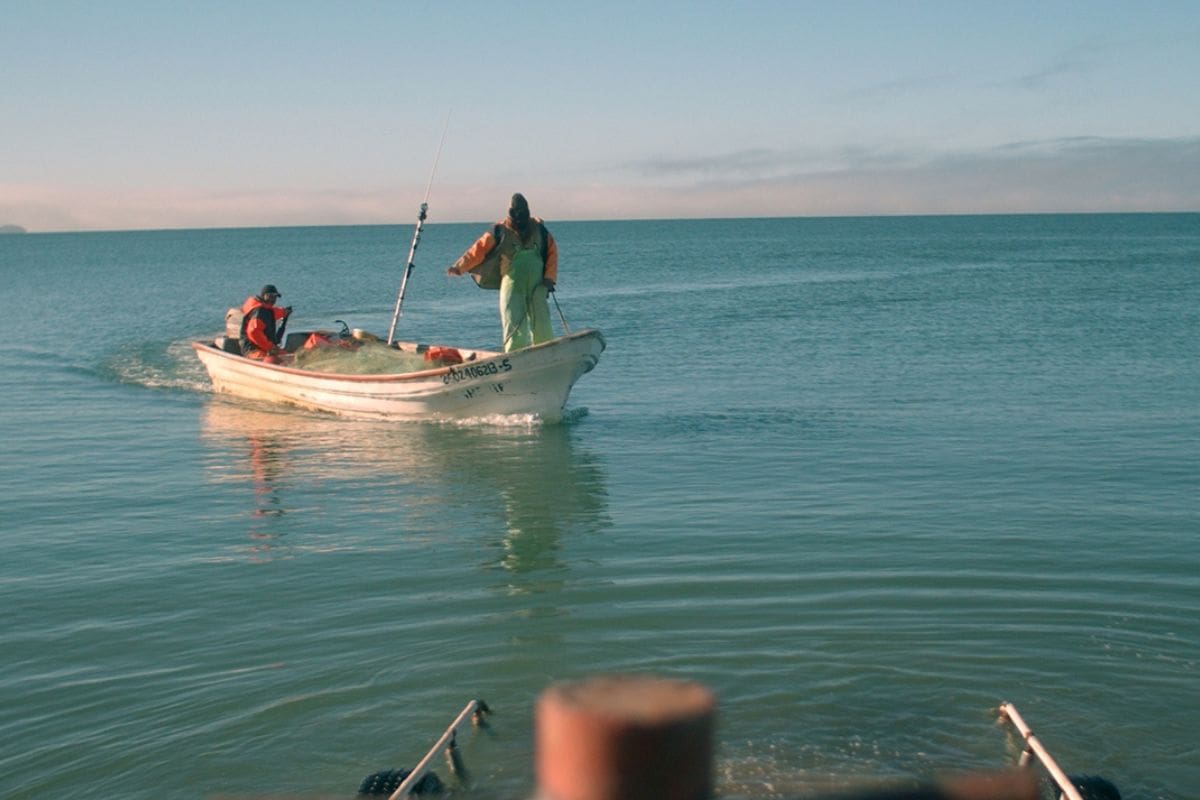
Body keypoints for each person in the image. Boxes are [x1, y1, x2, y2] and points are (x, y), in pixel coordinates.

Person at [447, 193, 558, 351]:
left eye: (522, 212)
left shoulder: (540, 230)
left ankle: (547, 351)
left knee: (542, 321)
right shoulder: (499, 231)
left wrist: (549, 279)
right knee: (513, 321)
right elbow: (478, 250)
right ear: (510, 213)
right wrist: (459, 267)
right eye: (516, 212)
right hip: (512, 286)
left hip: (538, 285)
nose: (519, 216)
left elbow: (552, 254)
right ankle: (514, 354)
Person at [239, 284, 292, 363]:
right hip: (252, 349)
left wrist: (284, 312)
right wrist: (270, 347)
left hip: (264, 348)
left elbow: (273, 313)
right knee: (272, 361)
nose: (273, 300)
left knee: (287, 357)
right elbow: (253, 332)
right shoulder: (259, 311)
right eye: (271, 296)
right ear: (264, 296)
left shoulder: (265, 309)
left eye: (275, 297)